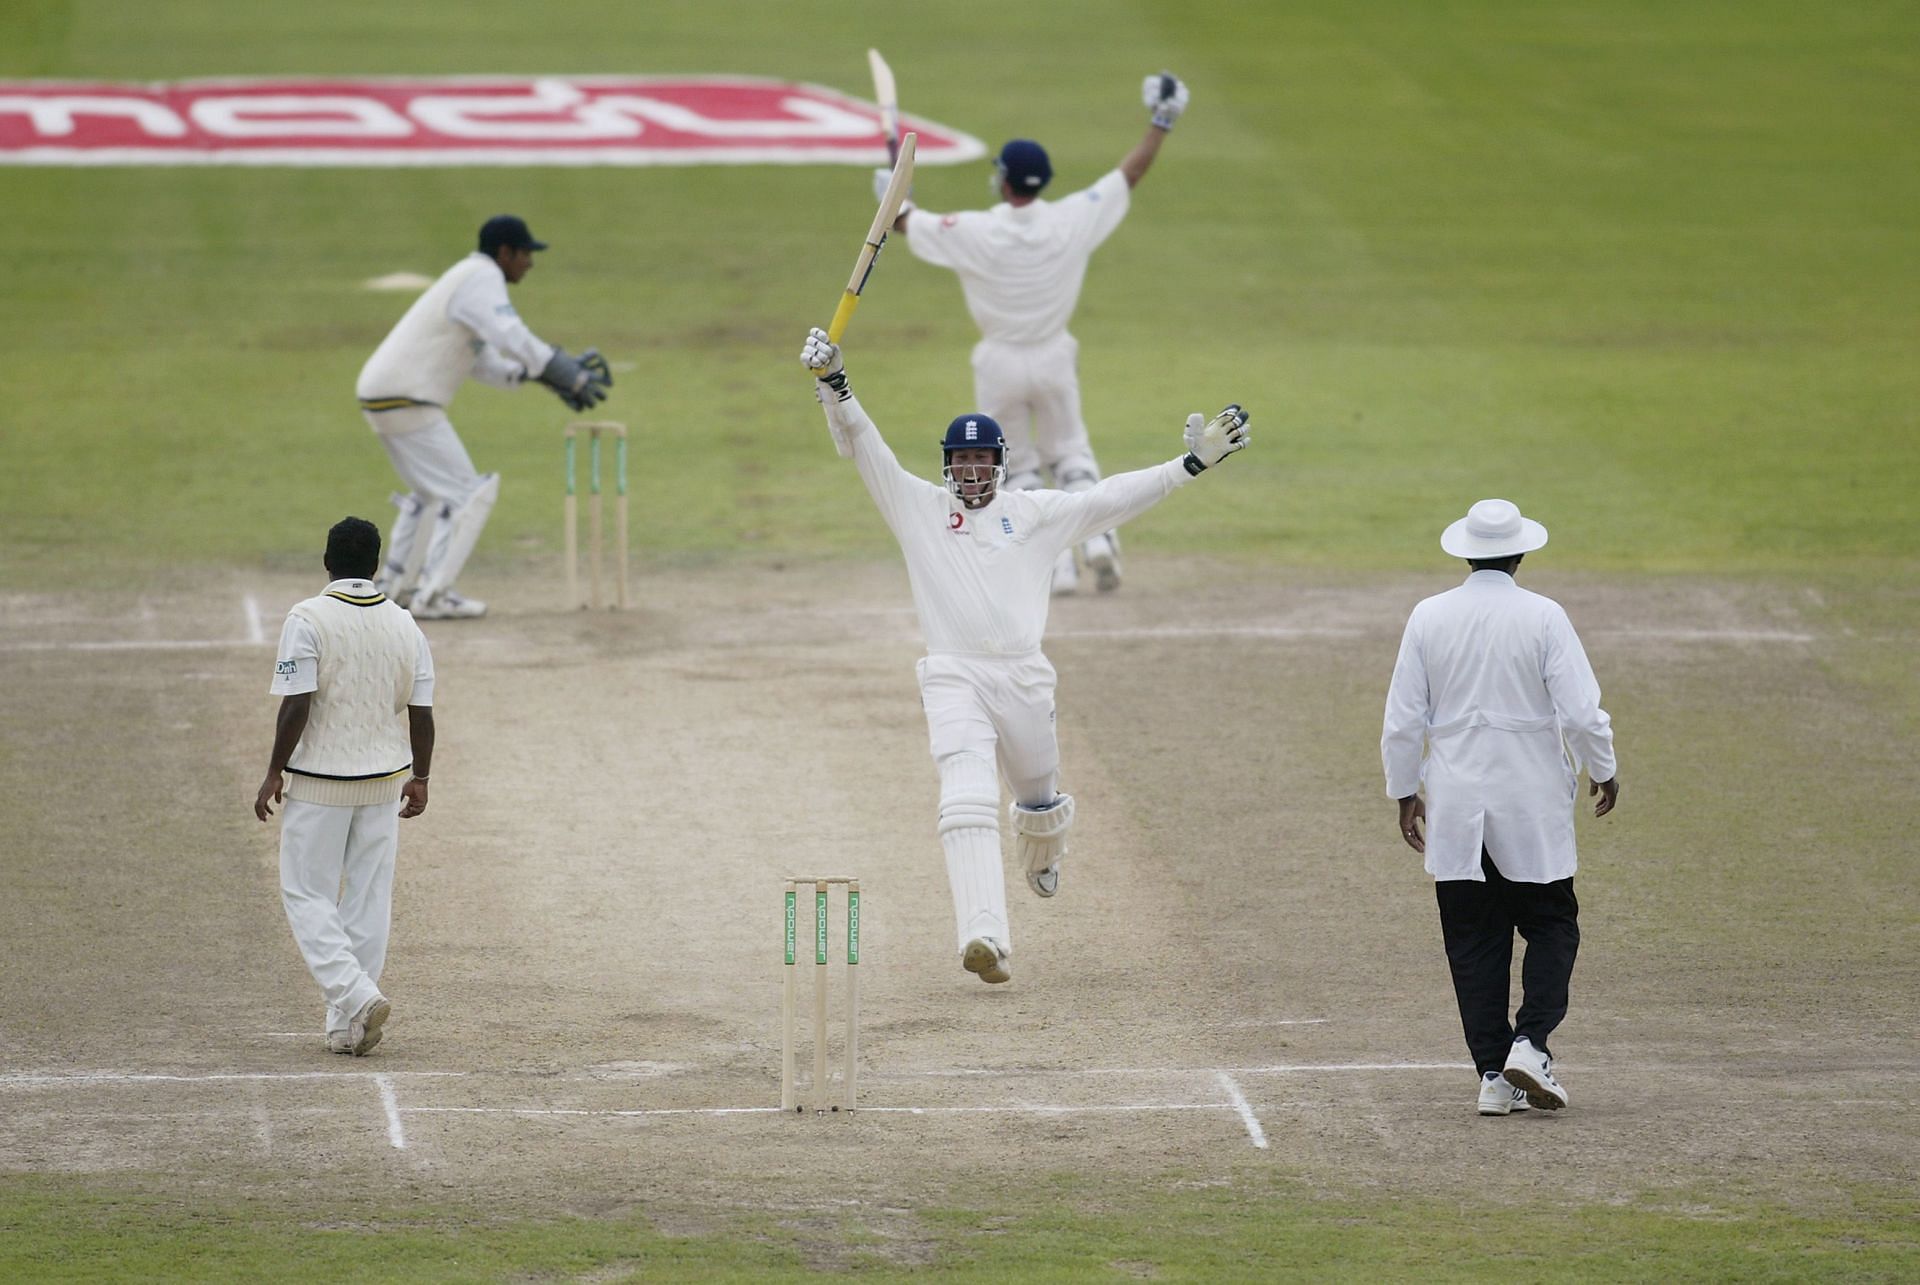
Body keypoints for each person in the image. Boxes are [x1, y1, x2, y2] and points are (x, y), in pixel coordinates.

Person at [801, 326, 1249, 984]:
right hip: (953, 674)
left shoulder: (1035, 513)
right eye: (961, 461)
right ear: (948, 464)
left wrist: (1188, 465)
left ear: (1000, 464)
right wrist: (835, 384)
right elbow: (869, 450)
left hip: (1023, 677)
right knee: (965, 795)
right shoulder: (919, 508)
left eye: (981, 462)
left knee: (1038, 796)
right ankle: (984, 934)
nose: (970, 472)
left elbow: (1109, 497)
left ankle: (1042, 851)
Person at [878, 73, 1191, 595]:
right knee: (1071, 455)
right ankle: (1098, 542)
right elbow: (1127, 175)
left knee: (1019, 467)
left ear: (1003, 182)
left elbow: (905, 224)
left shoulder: (975, 231)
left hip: (998, 361)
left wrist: (894, 197)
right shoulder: (1071, 219)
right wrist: (1162, 120)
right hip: (1052, 356)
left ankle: (1059, 568)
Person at [1380, 499, 1620, 1114]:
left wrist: (1405, 791)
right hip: (1530, 799)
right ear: (1520, 553)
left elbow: (1403, 719)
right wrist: (1605, 766)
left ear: (1465, 551)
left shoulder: (1429, 615)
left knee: (1473, 940)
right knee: (1551, 925)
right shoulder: (1543, 615)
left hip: (1458, 803)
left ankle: (1493, 1073)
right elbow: (1582, 711)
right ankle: (1531, 1044)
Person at [356, 214, 613, 619]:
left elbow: (484, 362)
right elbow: (511, 334)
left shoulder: (467, 279)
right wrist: (560, 368)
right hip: (407, 398)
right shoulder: (481, 276)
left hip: (384, 395)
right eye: (525, 254)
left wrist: (539, 375)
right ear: (505, 252)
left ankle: (396, 587)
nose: (530, 263)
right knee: (469, 494)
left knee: (430, 495)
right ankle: (434, 595)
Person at [254, 516, 436, 1056]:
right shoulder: (406, 623)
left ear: (327, 561)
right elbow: (422, 713)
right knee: (368, 897)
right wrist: (421, 778)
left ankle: (356, 997)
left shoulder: (307, 617)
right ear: (375, 564)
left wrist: (272, 771)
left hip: (319, 781)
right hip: (385, 781)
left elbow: (297, 703)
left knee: (306, 893)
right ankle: (345, 1026)